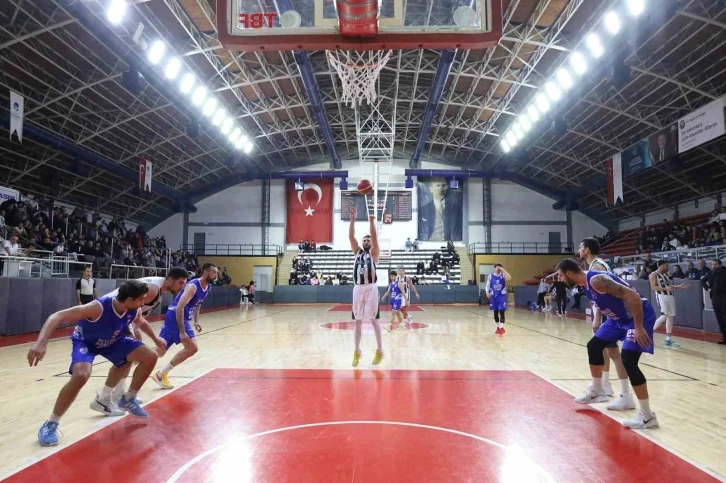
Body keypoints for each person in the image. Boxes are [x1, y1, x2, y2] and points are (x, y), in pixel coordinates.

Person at [28, 280, 158, 446]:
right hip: (86, 342)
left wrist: (149, 339)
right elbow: (57, 316)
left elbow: (135, 322)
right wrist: (41, 342)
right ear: (129, 299)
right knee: (81, 375)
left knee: (150, 356)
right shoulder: (98, 307)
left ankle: (128, 398)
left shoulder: (134, 309)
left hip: (113, 341)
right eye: (140, 299)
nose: (143, 302)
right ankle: (51, 424)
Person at [557, 258, 659, 429]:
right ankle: (597, 392)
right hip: (615, 319)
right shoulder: (585, 284)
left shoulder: (597, 280)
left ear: (569, 273)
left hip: (636, 317)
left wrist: (639, 327)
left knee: (629, 361)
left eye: (560, 276)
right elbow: (598, 302)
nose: (559, 279)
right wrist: (597, 317)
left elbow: (633, 296)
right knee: (594, 346)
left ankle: (647, 416)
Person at [90, 269, 189, 416]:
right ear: (170, 280)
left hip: (115, 317)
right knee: (129, 356)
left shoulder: (158, 287)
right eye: (180, 283)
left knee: (129, 358)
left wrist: (139, 329)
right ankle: (105, 398)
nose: (182, 287)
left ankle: (117, 395)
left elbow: (136, 313)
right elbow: (131, 309)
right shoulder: (152, 290)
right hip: (108, 317)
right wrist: (135, 328)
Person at [578, 238, 631, 410]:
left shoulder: (597, 267)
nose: (579, 250)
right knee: (605, 349)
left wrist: (597, 317)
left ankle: (623, 393)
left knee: (614, 353)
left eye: (580, 247)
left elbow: (602, 295)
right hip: (609, 312)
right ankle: (605, 385)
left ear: (586, 250)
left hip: (612, 313)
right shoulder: (595, 265)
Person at [151, 263, 218, 389]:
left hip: (175, 317)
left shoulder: (207, 287)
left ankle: (130, 360)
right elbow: (179, 307)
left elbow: (198, 304)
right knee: (192, 348)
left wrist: (196, 321)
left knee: (160, 350)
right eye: (214, 272)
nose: (216, 275)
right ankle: (162, 373)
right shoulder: (192, 286)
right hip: (176, 317)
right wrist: (182, 331)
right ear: (205, 273)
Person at [348, 206, 383, 366]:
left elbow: (374, 235)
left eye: (368, 240)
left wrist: (371, 221)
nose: (367, 241)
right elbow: (350, 236)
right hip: (357, 289)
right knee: (357, 321)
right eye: (365, 240)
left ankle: (380, 351)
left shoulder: (374, 254)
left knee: (374, 320)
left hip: (371, 288)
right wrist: (353, 218)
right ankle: (357, 351)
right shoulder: (357, 252)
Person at [650, 261, 689, 348]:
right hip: (661, 296)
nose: (668, 267)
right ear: (661, 265)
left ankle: (668, 339)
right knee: (664, 316)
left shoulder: (665, 274)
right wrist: (664, 288)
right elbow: (654, 287)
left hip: (670, 296)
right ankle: (649, 334)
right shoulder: (653, 274)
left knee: (670, 317)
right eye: (666, 265)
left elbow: (668, 286)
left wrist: (679, 286)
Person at [418, 177, 462, 241]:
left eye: (444, 185)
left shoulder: (456, 209)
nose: (441, 189)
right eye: (438, 185)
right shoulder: (423, 209)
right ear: (431, 189)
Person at [702, 259, 726, 344]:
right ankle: (724, 337)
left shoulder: (724, 271)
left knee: (725, 317)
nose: (713, 266)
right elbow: (702, 281)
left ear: (720, 265)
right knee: (719, 318)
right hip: (715, 298)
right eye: (712, 264)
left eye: (715, 264)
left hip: (724, 297)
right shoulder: (711, 273)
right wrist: (707, 288)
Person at [486, 264, 511, 334]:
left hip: (502, 295)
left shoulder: (503, 275)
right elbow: (487, 285)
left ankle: (502, 327)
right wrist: (487, 292)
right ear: (494, 268)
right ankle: (498, 326)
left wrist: (503, 270)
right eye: (497, 267)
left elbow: (509, 278)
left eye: (500, 267)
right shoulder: (491, 276)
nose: (498, 268)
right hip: (494, 296)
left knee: (502, 311)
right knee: (495, 312)